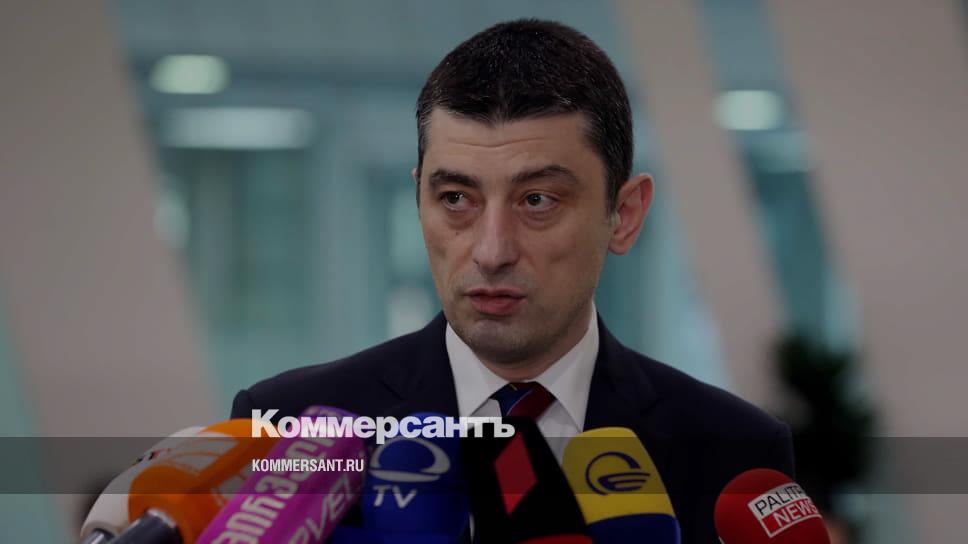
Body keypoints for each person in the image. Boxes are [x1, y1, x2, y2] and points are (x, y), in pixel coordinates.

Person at [231, 18, 793, 543]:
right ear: (419, 198)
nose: (492, 251)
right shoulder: (287, 427)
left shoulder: (735, 453)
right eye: (456, 198)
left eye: (537, 200)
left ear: (623, 215)